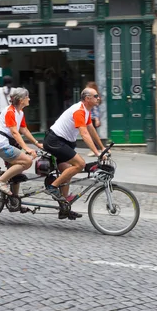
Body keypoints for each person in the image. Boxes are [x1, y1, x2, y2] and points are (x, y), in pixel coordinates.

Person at [43, 87, 106, 220]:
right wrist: (96, 153)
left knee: (68, 172)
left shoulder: (86, 111)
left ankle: (64, 208)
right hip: (55, 141)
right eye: (96, 96)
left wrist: (102, 147)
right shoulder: (79, 111)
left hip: (64, 142)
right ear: (87, 98)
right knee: (80, 164)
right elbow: (84, 134)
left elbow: (91, 130)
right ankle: (52, 186)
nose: (98, 98)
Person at [0, 88, 42, 197]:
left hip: (8, 145)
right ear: (21, 100)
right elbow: (15, 132)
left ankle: (14, 200)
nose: (29, 98)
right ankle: (0, 181)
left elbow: (24, 130)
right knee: (27, 162)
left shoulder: (20, 113)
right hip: (2, 145)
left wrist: (37, 143)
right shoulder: (10, 112)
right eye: (27, 97)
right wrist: (26, 148)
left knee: (17, 173)